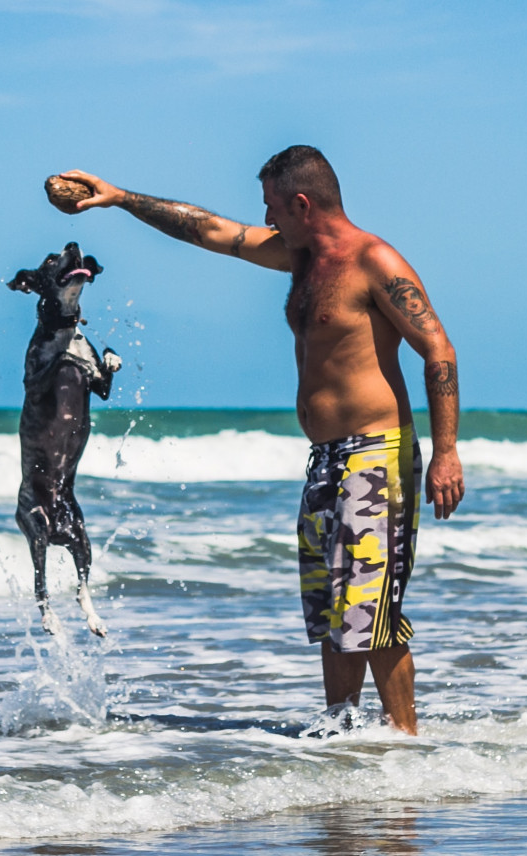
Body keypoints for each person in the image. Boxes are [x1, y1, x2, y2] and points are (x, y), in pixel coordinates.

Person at [58, 146, 462, 734]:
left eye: (273, 206)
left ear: (302, 204)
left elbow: (438, 351)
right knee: (334, 615)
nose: (265, 218)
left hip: (377, 456)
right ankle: (341, 738)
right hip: (326, 460)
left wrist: (447, 453)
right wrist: (120, 198)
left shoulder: (373, 261)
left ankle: (407, 745)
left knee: (372, 614)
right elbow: (210, 231)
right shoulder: (300, 259)